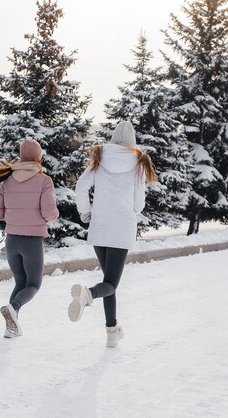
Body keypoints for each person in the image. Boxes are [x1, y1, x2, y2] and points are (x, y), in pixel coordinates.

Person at [70, 121, 157, 347]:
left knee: (109, 281)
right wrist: (131, 211)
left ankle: (112, 331)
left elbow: (81, 187)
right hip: (122, 227)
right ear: (132, 142)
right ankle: (88, 294)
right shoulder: (137, 163)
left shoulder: (100, 158)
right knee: (110, 283)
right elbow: (139, 204)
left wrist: (86, 213)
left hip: (100, 225)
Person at [0, 139, 59, 338]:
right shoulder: (44, 180)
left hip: (11, 240)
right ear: (38, 156)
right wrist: (51, 216)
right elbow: (49, 212)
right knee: (33, 284)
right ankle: (14, 307)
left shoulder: (7, 180)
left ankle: (11, 327)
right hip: (32, 241)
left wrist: (13, 219)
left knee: (20, 283)